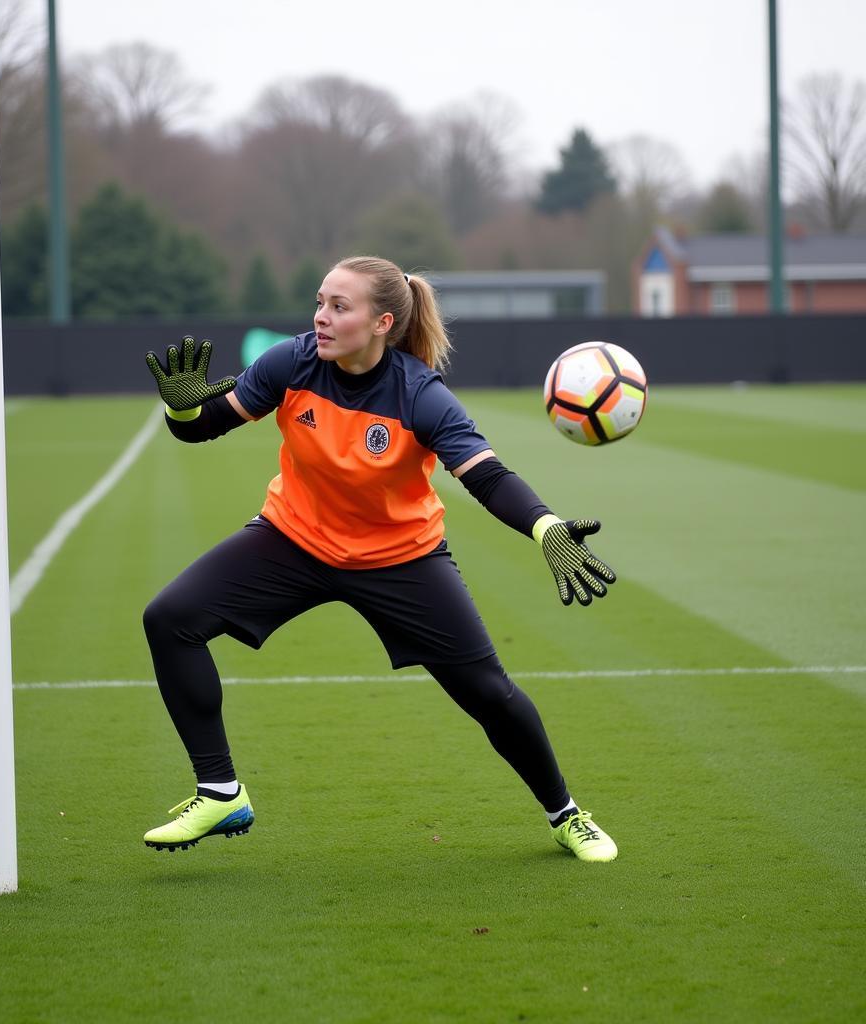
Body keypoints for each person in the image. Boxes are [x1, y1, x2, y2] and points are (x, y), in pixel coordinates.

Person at [141, 255, 619, 863]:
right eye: (319, 302)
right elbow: (202, 426)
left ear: (382, 322)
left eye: (340, 307)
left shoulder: (421, 395)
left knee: (490, 695)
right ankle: (220, 791)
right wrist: (183, 408)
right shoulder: (291, 362)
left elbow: (488, 476)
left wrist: (546, 526)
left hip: (400, 557)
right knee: (171, 619)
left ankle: (566, 815)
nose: (321, 317)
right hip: (294, 538)